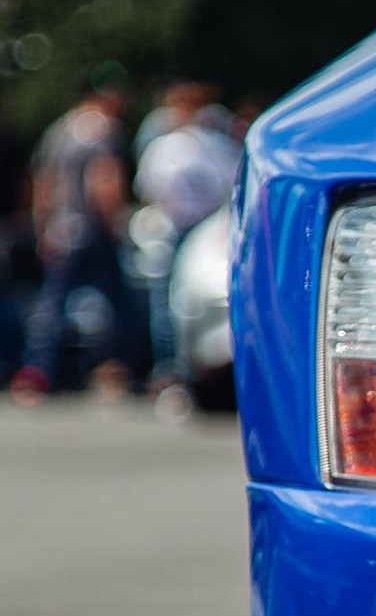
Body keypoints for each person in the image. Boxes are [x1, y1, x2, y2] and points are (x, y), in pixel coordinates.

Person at [12, 69, 147, 399]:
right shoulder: (102, 128)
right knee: (120, 303)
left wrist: (43, 226)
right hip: (92, 229)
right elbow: (104, 179)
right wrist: (115, 222)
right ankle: (127, 370)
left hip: (62, 229)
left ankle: (37, 371)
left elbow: (42, 181)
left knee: (53, 304)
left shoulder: (60, 129)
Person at [131, 81, 240, 401]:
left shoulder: (171, 147)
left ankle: (175, 371)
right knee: (175, 302)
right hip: (199, 227)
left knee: (172, 301)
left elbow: (150, 189)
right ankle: (173, 370)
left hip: (190, 227)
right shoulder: (213, 146)